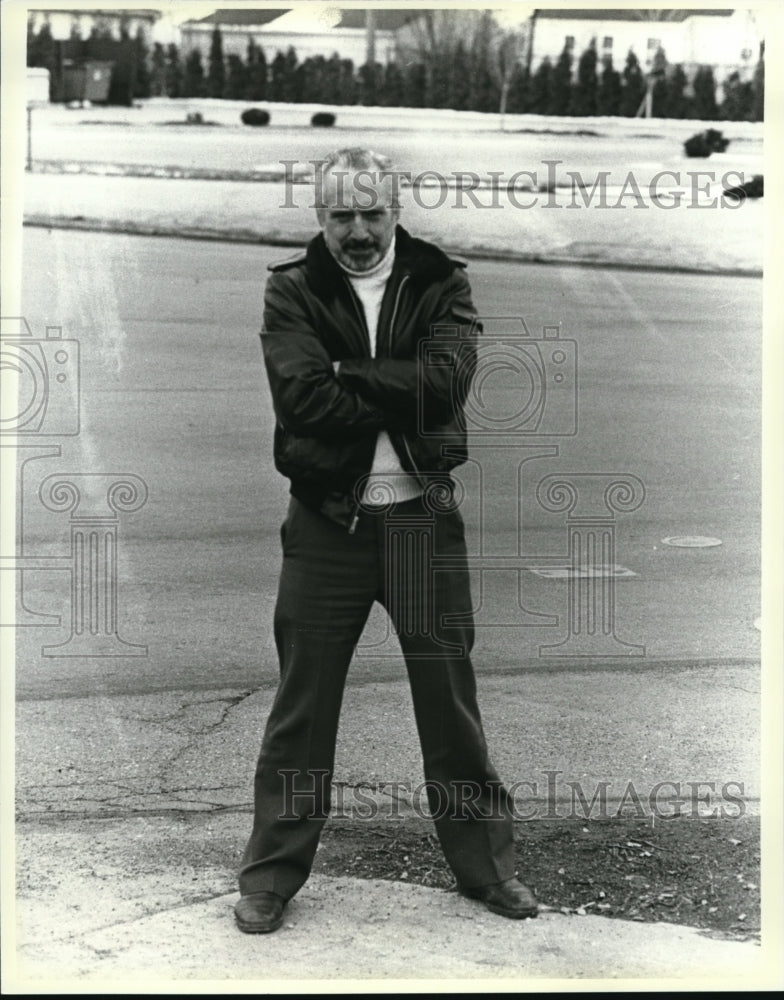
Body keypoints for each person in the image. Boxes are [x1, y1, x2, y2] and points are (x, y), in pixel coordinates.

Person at [235, 147, 537, 933]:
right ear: (319, 217)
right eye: (342, 215)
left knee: (450, 706)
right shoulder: (292, 288)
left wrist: (350, 370)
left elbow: (446, 384)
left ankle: (485, 870)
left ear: (397, 210)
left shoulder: (442, 281)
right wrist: (391, 384)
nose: (359, 230)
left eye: (373, 213)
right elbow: (301, 399)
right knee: (302, 710)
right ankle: (269, 877)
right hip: (326, 528)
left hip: (421, 527)